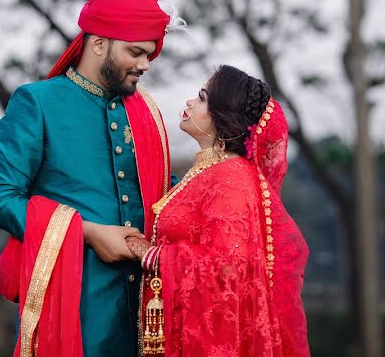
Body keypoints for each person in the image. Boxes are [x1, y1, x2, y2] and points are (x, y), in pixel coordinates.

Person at [0, 0, 178, 357]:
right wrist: (88, 232)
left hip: (150, 314)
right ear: (99, 44)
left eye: (149, 55)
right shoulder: (37, 102)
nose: (145, 65)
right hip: (75, 313)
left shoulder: (145, 111)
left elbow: (160, 191)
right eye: (135, 52)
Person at [126, 65, 310, 356]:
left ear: (224, 117)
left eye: (202, 98)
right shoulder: (207, 172)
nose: (190, 102)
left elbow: (227, 266)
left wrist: (149, 254)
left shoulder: (231, 178)